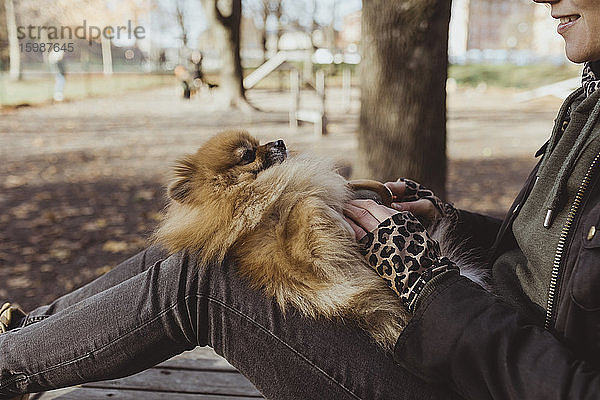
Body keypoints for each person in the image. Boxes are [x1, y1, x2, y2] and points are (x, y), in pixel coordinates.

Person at [1, 0, 599, 398]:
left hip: (465, 373)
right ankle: (21, 337)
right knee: (204, 242)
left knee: (200, 279)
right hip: (466, 338)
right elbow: (548, 269)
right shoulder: (590, 100)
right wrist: (447, 222)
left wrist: (429, 286)